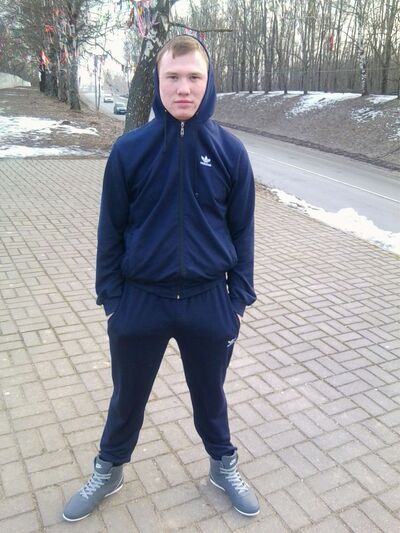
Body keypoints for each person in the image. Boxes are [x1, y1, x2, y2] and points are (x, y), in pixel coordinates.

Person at [63, 35, 258, 522]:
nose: (183, 88)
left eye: (194, 77)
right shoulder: (130, 150)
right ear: (158, 81)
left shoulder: (231, 152)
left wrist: (236, 302)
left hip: (209, 301)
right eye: (173, 77)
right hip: (140, 301)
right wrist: (112, 299)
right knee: (127, 396)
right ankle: (109, 468)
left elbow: (243, 230)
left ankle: (222, 464)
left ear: (208, 82)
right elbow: (110, 230)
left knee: (211, 396)